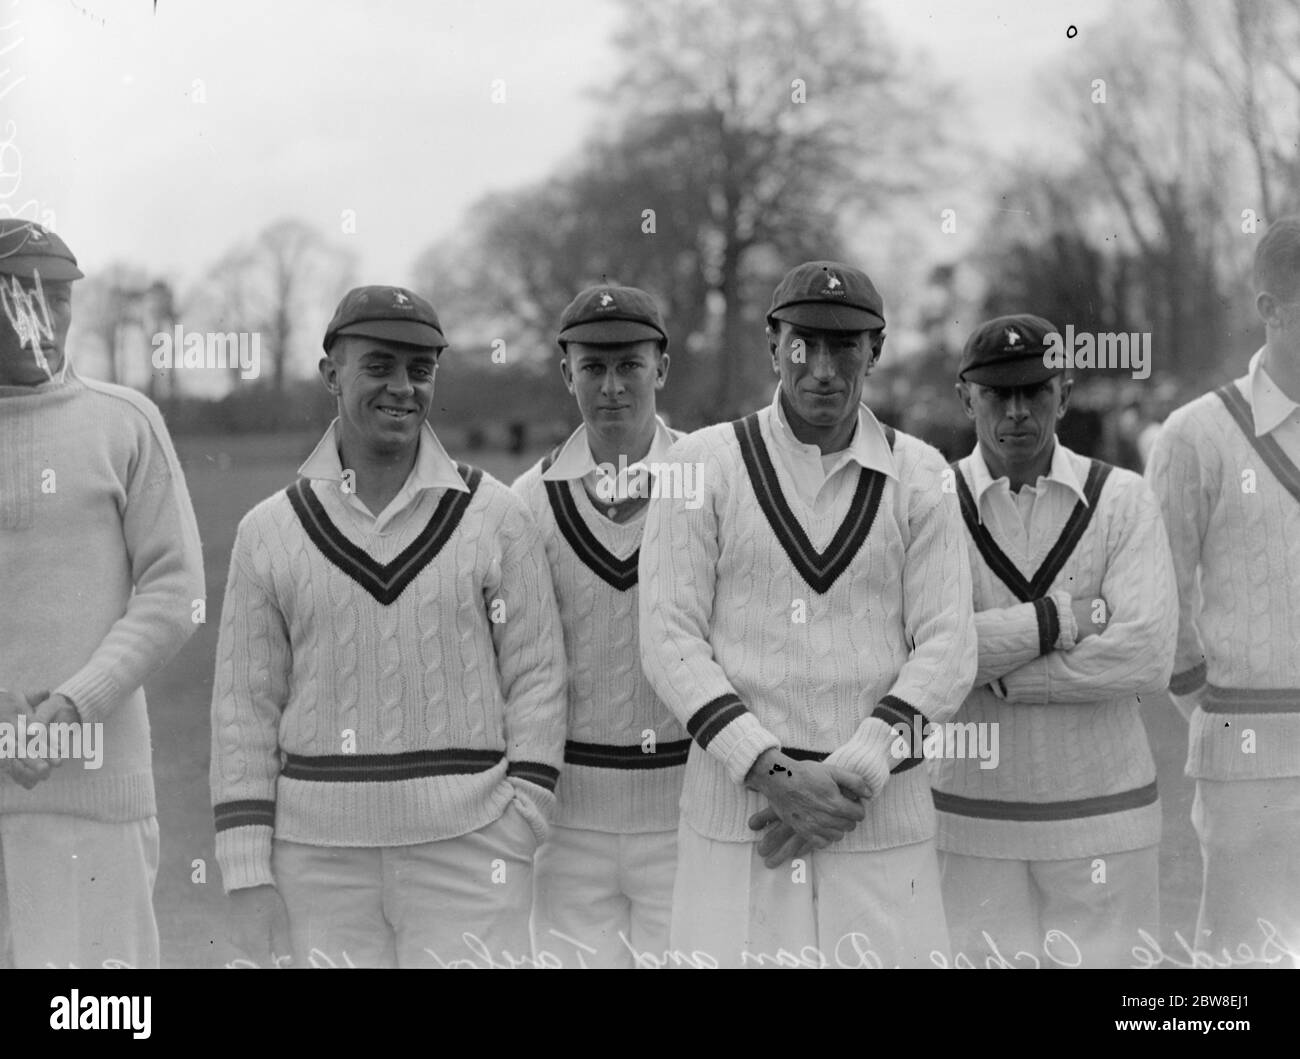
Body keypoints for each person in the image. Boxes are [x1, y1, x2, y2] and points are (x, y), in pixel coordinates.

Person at [209, 285, 566, 968]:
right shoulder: (269, 532)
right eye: (379, 366)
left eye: (420, 369)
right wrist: (248, 871)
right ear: (331, 374)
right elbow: (242, 711)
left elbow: (539, 677)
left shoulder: (494, 515)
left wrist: (525, 817)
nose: (403, 387)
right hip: (317, 863)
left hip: (471, 848)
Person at [639, 260, 976, 968]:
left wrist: (850, 776)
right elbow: (669, 639)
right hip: (745, 823)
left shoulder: (922, 474)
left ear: (874, 351)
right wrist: (779, 776)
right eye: (803, 344)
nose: (821, 367)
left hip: (878, 822)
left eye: (844, 346)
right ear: (773, 344)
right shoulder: (701, 463)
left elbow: (949, 644)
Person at [934, 314, 1177, 968]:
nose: (1017, 411)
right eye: (997, 394)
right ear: (966, 398)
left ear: (1064, 394)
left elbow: (1148, 653)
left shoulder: (1122, 499)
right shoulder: (928, 502)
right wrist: (1058, 620)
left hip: (1106, 821)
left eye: (1036, 392)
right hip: (970, 824)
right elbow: (928, 656)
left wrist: (1011, 674)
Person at [0, 219, 204, 968]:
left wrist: (73, 706)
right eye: (21, 297)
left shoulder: (125, 421)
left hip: (97, 804)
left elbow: (175, 589)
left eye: (58, 299)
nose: (44, 321)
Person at [512, 284, 688, 967]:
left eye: (630, 365)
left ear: (661, 368)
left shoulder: (715, 481)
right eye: (593, 367)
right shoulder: (527, 501)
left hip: (686, 814)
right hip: (570, 824)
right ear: (567, 373)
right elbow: (523, 667)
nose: (612, 386)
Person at [1146, 216, 1300, 966]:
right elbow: (1159, 600)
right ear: (1269, 307)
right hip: (1245, 753)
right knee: (1248, 964)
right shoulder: (1195, 434)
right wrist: (1212, 709)